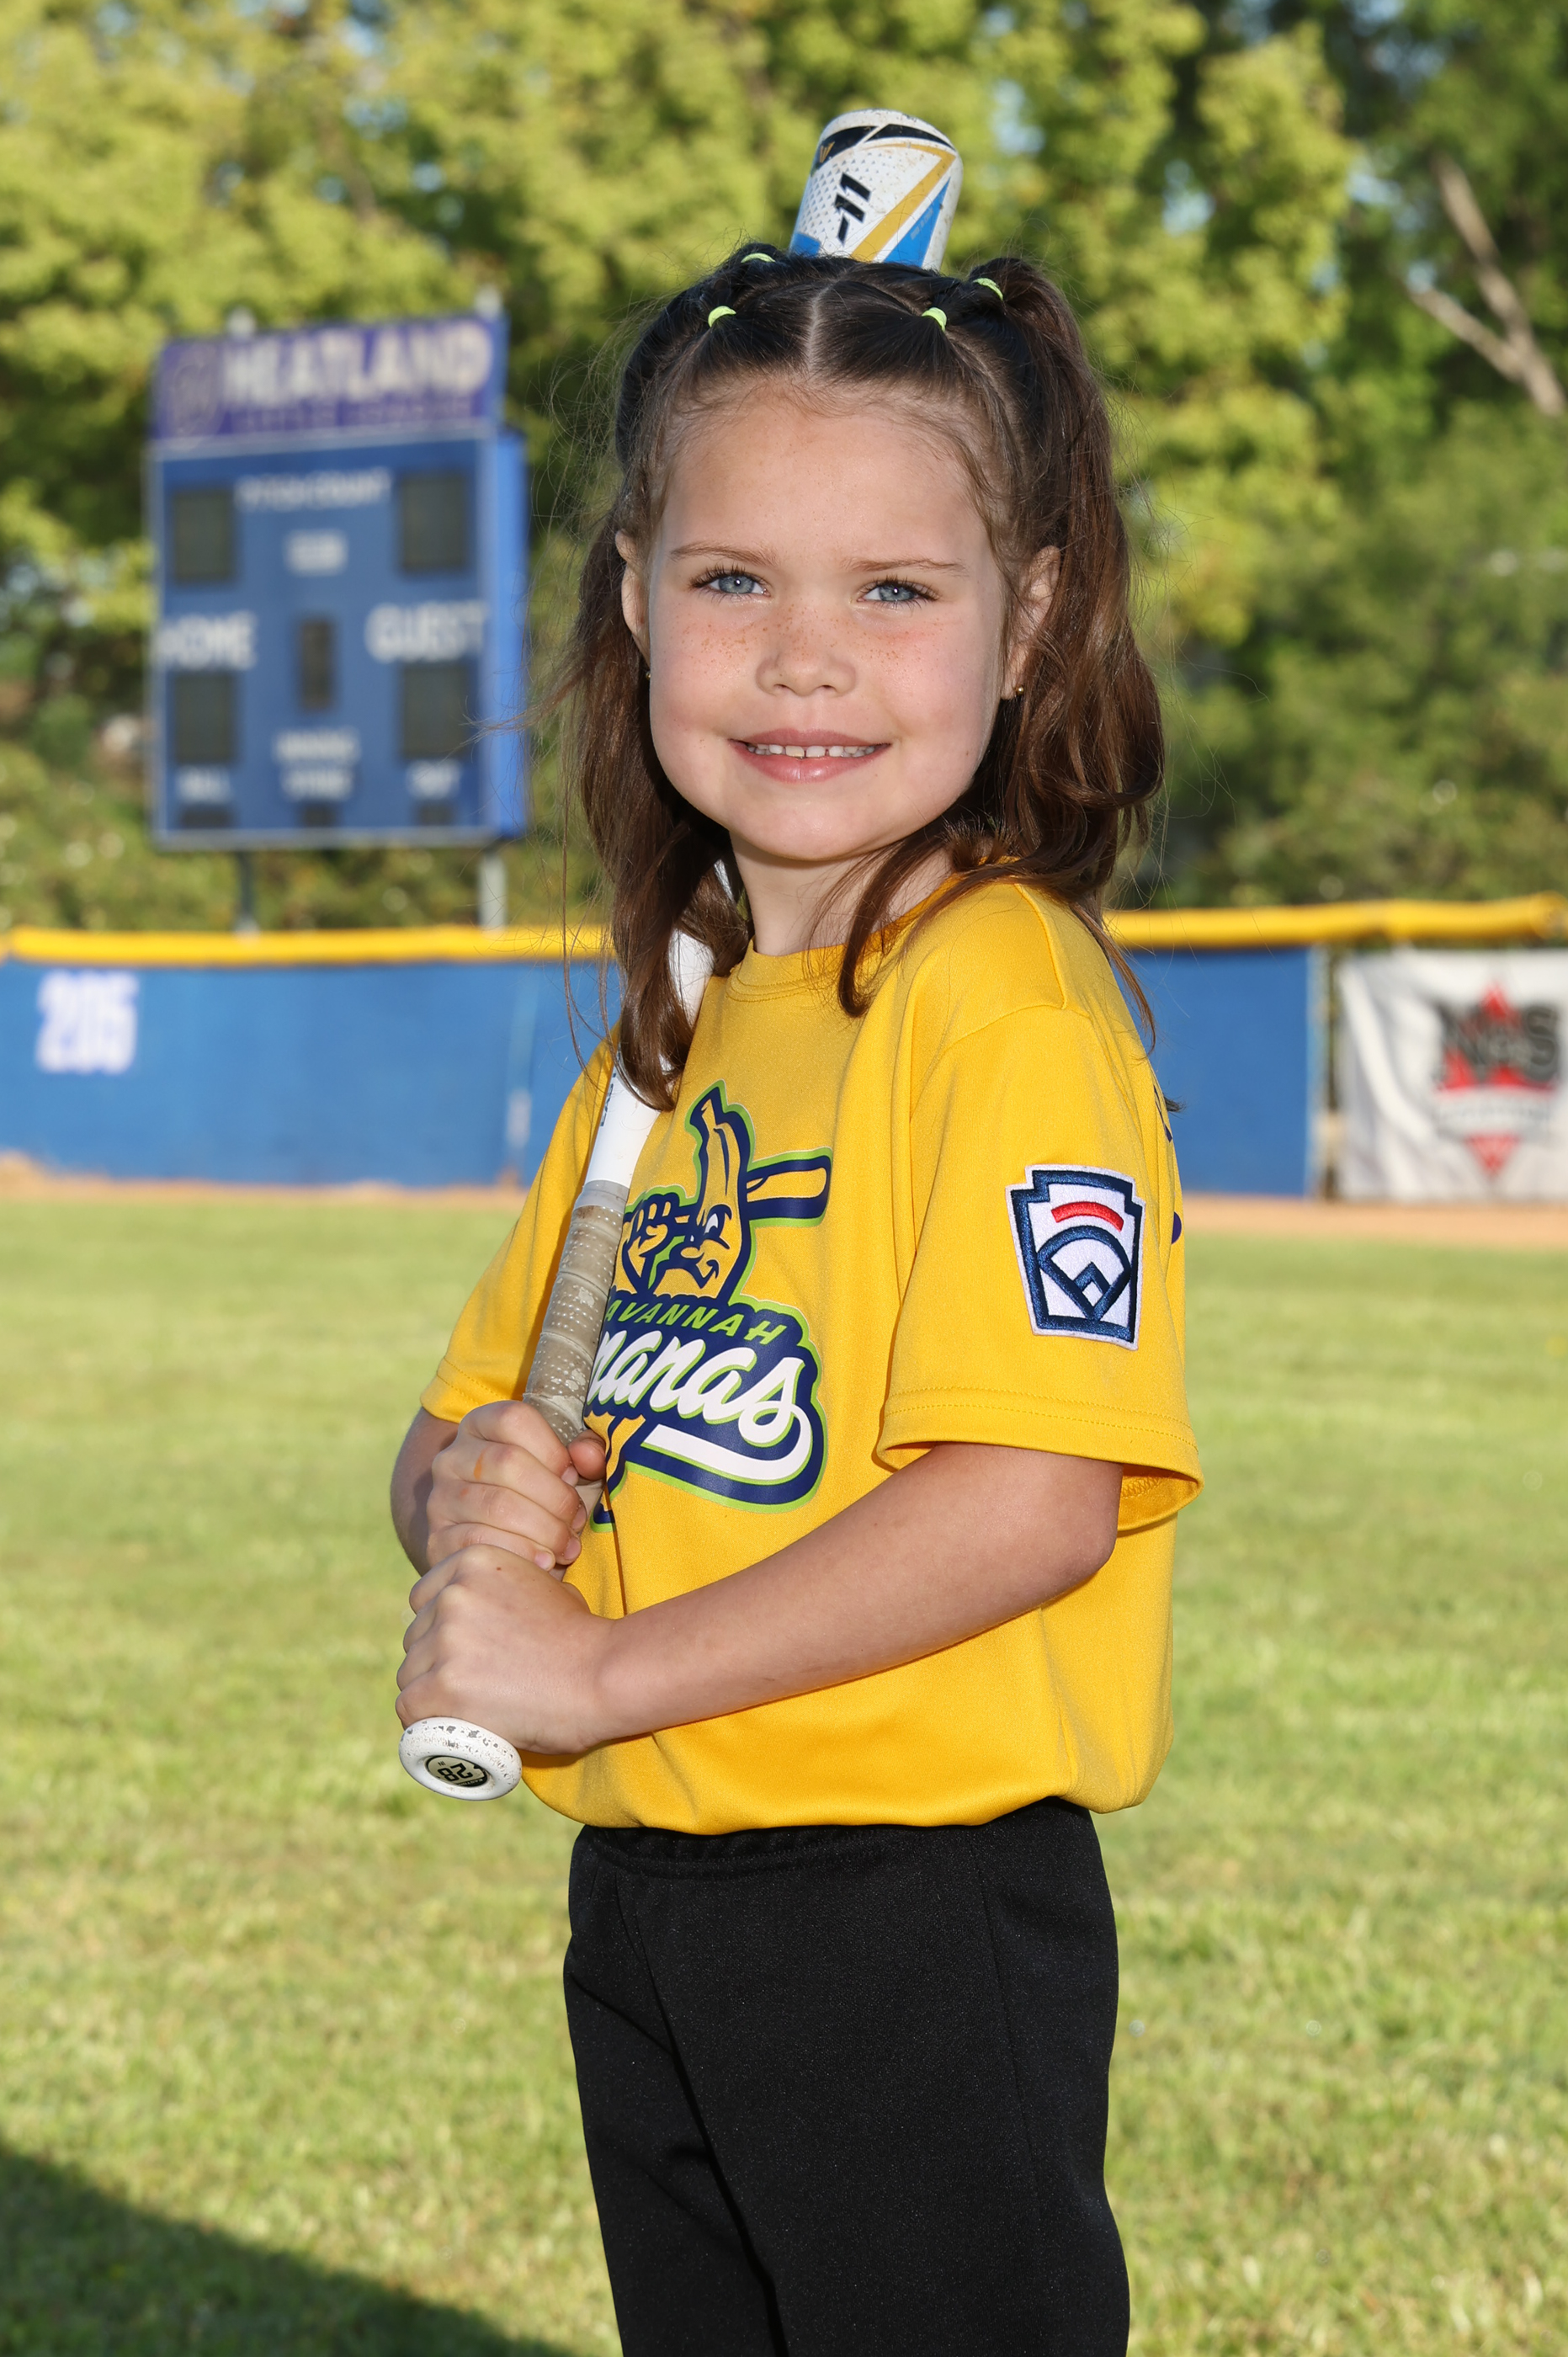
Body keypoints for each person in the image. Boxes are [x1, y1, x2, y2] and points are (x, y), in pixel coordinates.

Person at [390, 246, 1202, 2357]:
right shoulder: (684, 1018)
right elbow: (469, 1416)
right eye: (734, 579)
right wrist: (463, 1499)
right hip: (661, 1892)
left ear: (1029, 622)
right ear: (636, 596)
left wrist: (596, 1664)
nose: (804, 657)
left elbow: (1031, 1493)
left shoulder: (1000, 997)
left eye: (895, 589)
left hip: (906, 1902)